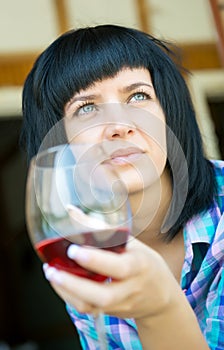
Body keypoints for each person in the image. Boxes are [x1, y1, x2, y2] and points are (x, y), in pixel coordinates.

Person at [20, 24, 224, 350]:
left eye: (138, 96)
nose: (119, 126)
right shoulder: (80, 247)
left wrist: (159, 309)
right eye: (86, 108)